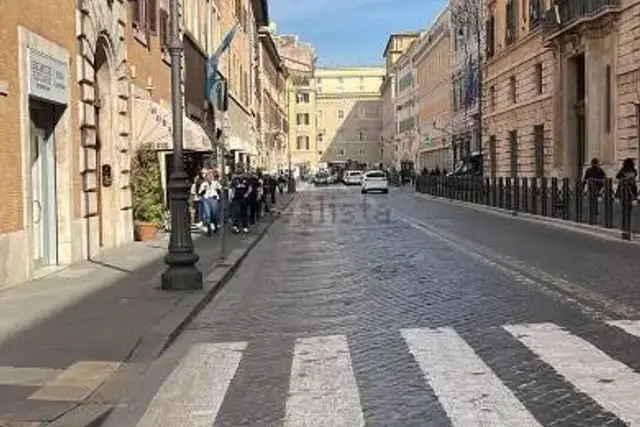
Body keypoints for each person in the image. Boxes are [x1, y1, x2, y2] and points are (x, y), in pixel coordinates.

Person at [230, 169, 252, 233]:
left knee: (244, 213)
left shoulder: (246, 180)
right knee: (236, 213)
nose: (240, 175)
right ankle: (235, 227)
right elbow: (232, 188)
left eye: (241, 173)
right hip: (236, 199)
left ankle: (245, 227)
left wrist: (247, 194)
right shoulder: (234, 180)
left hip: (244, 199)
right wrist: (231, 196)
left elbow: (250, 188)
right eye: (238, 174)